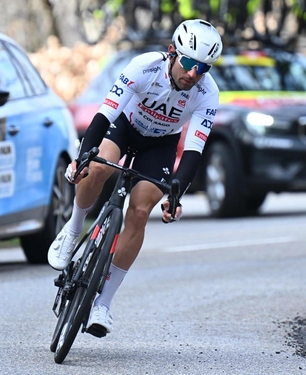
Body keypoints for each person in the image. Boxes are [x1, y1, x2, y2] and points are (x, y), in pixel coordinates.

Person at [48, 19, 223, 337]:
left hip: (161, 145)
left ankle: (104, 303)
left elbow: (194, 150)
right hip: (124, 127)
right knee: (100, 167)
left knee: (141, 210)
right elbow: (105, 114)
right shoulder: (144, 67)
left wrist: (175, 196)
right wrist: (84, 155)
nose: (194, 74)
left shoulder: (207, 94)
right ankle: (74, 229)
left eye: (204, 68)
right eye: (190, 63)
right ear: (172, 53)